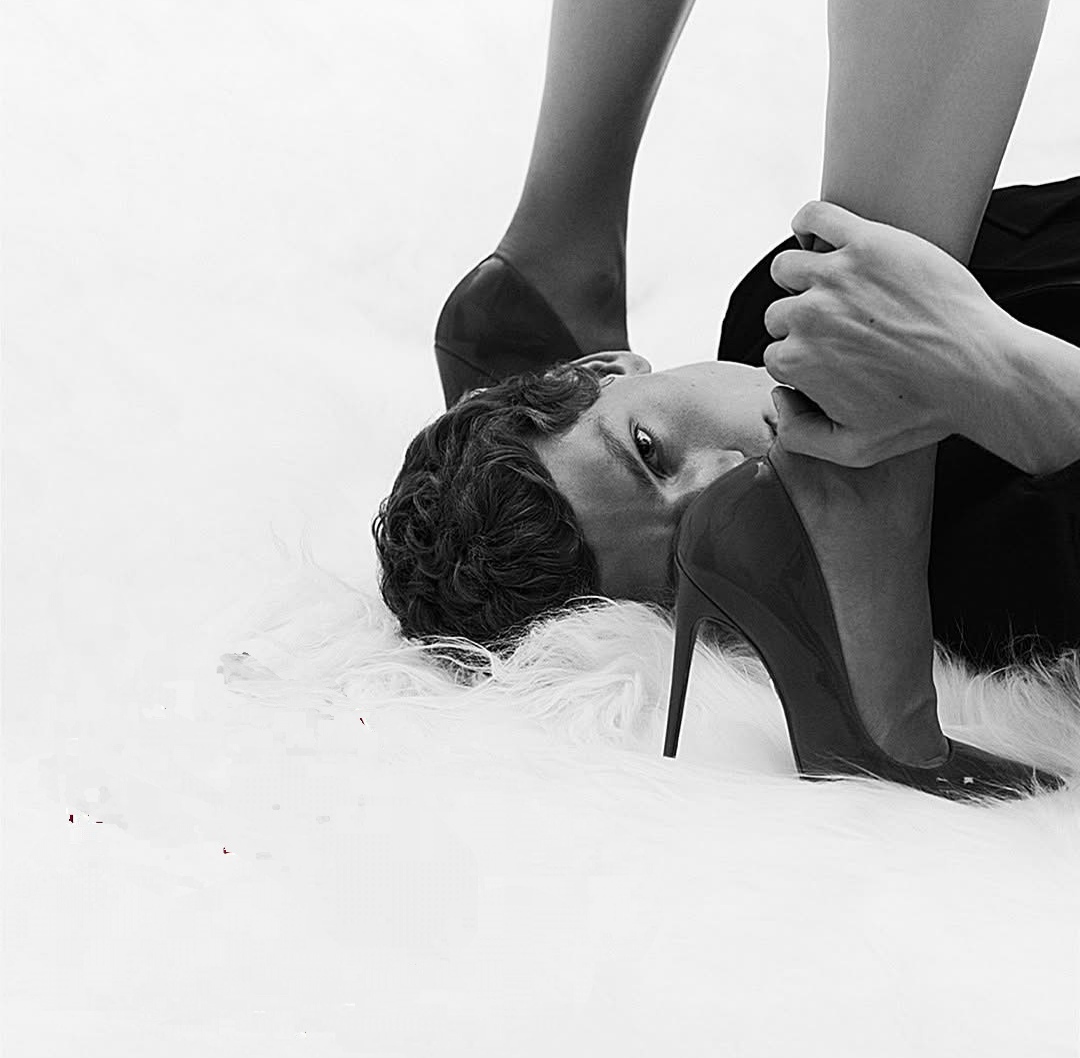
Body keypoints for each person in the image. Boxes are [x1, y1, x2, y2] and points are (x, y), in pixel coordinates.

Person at [375, 0, 1077, 798]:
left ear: (607, 367)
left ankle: (558, 244)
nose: (726, 483)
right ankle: (558, 244)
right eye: (699, 560)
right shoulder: (999, 583)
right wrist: (1010, 378)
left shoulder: (779, 305)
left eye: (649, 451)